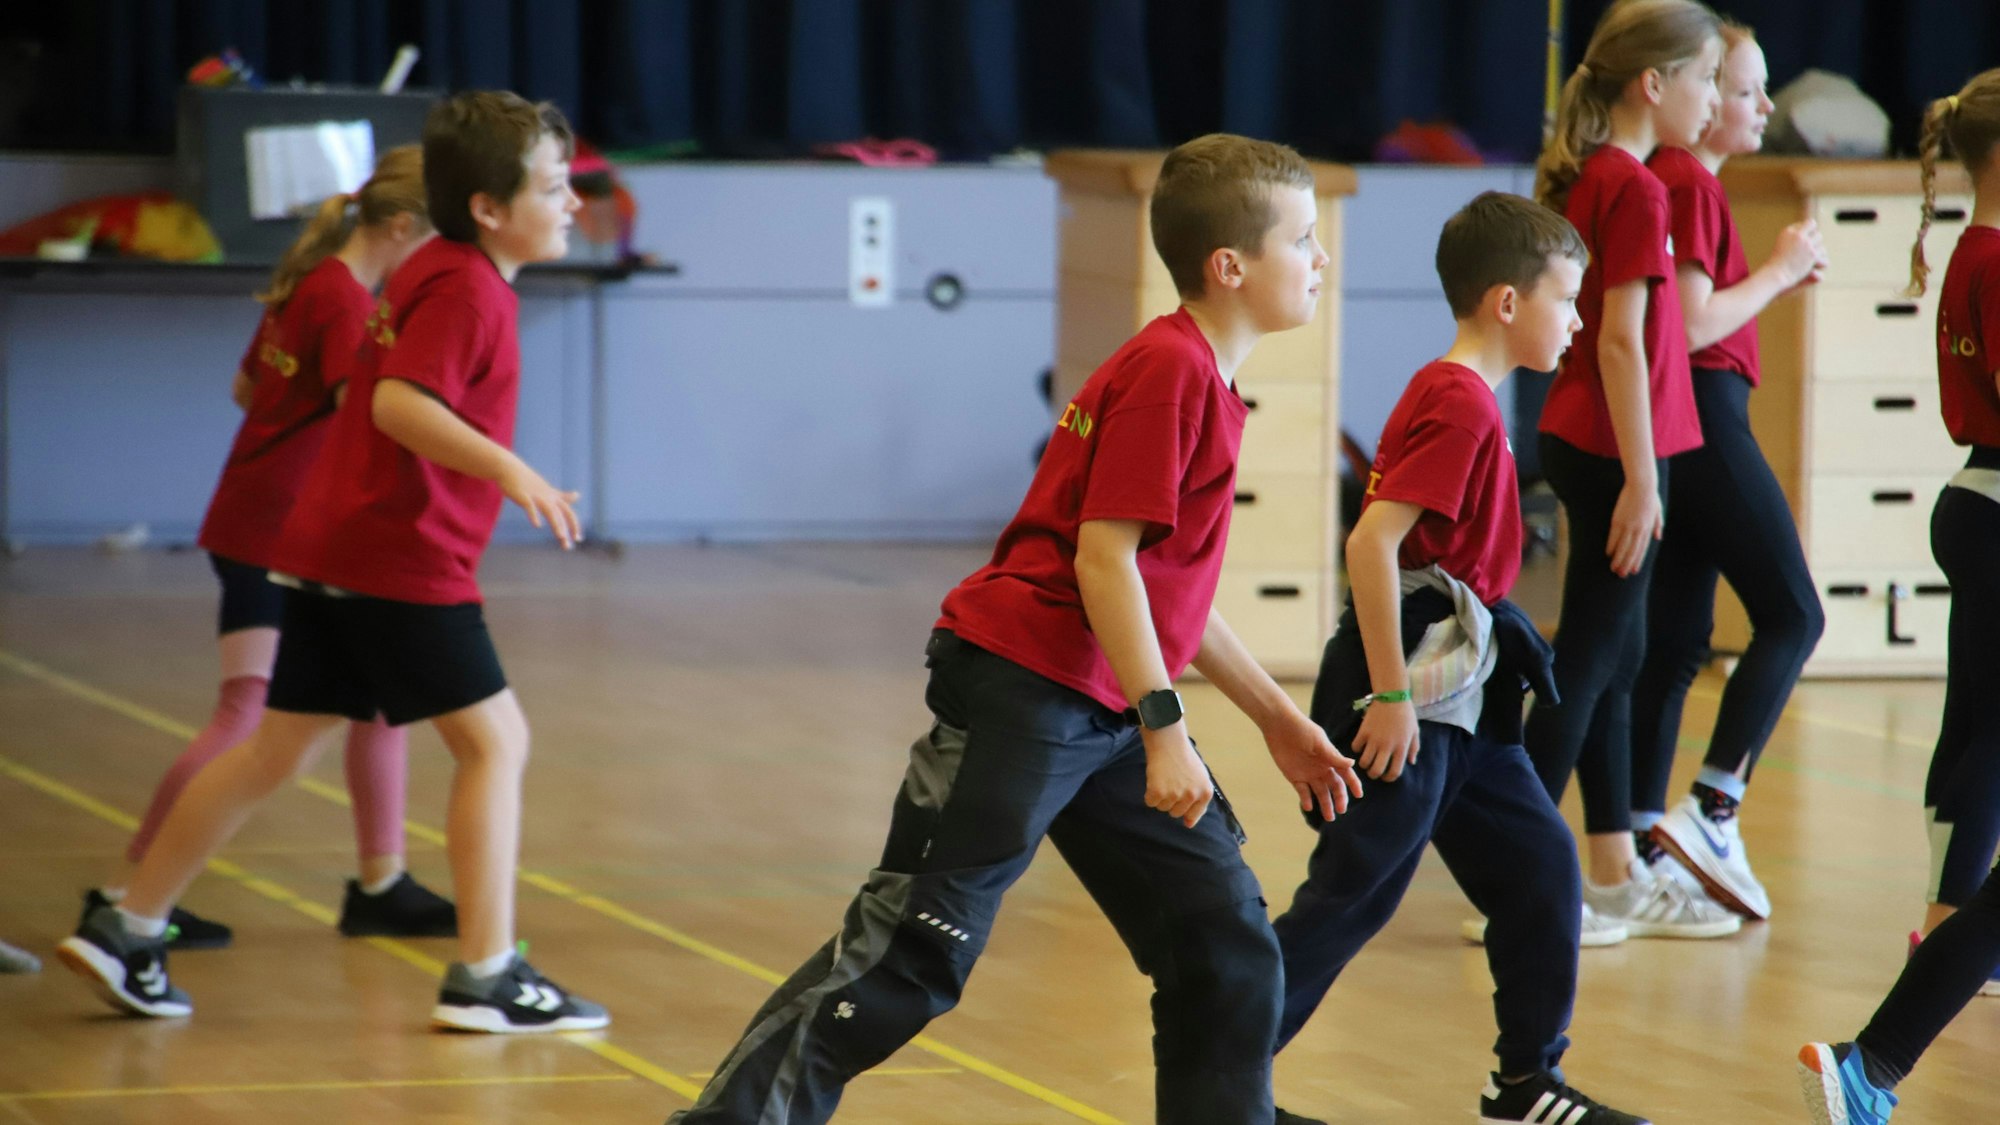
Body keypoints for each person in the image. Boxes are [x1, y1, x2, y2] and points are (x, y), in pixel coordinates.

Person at [668, 133, 1361, 1125]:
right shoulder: (1168, 371)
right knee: (911, 956)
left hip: (1107, 700)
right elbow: (1101, 559)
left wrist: (1272, 721)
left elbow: (1167, 596)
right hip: (1026, 690)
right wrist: (1166, 730)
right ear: (1230, 266)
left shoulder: (1202, 378)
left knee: (1223, 946)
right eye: (1303, 239)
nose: (1320, 258)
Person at [58, 91, 606, 1034]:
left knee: (278, 746)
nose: (572, 205)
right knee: (495, 743)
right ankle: (487, 973)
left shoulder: (437, 263)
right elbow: (400, 403)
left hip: (327, 548)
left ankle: (131, 921)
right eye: (554, 188)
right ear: (487, 205)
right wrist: (516, 471)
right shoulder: (469, 287)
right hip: (397, 558)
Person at [1271, 191, 1650, 1125]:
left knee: (1540, 870)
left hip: (1468, 696)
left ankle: (1524, 1084)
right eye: (1566, 300)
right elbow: (1371, 545)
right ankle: (1216, 1069)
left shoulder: (1469, 397)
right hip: (1414, 684)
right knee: (1351, 895)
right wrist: (1391, 692)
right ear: (1507, 303)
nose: (1576, 320)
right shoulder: (1458, 401)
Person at [82, 145, 454, 953]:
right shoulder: (348, 306)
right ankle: (126, 893)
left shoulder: (314, 285)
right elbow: (372, 426)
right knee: (247, 711)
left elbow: (248, 389)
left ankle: (381, 881)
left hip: (273, 519)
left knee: (379, 698)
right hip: (277, 532)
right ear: (401, 228)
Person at [1798, 68, 2000, 1124]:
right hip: (1994, 501)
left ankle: (1931, 957)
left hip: (1975, 498)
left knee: (1974, 728)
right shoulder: (1994, 257)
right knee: (1981, 736)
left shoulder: (1973, 247)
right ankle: (1878, 1051)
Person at [1526, 0, 1739, 939]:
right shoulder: (1637, 185)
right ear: (1654, 85)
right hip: (1614, 447)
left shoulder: (1609, 176)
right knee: (1589, 660)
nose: (1715, 97)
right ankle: (1521, 871)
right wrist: (1647, 480)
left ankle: (1609, 871)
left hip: (1592, 439)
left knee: (1613, 662)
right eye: (1705, 77)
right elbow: (1621, 344)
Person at [1628, 18, 1829, 922]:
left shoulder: (1679, 183)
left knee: (1672, 645)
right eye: (1740, 89)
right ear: (1695, 100)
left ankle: (1634, 846)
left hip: (1691, 421)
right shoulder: (1687, 185)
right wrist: (1783, 270)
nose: (1756, 106)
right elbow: (1695, 328)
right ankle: (1712, 807)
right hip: (1704, 417)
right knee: (1793, 612)